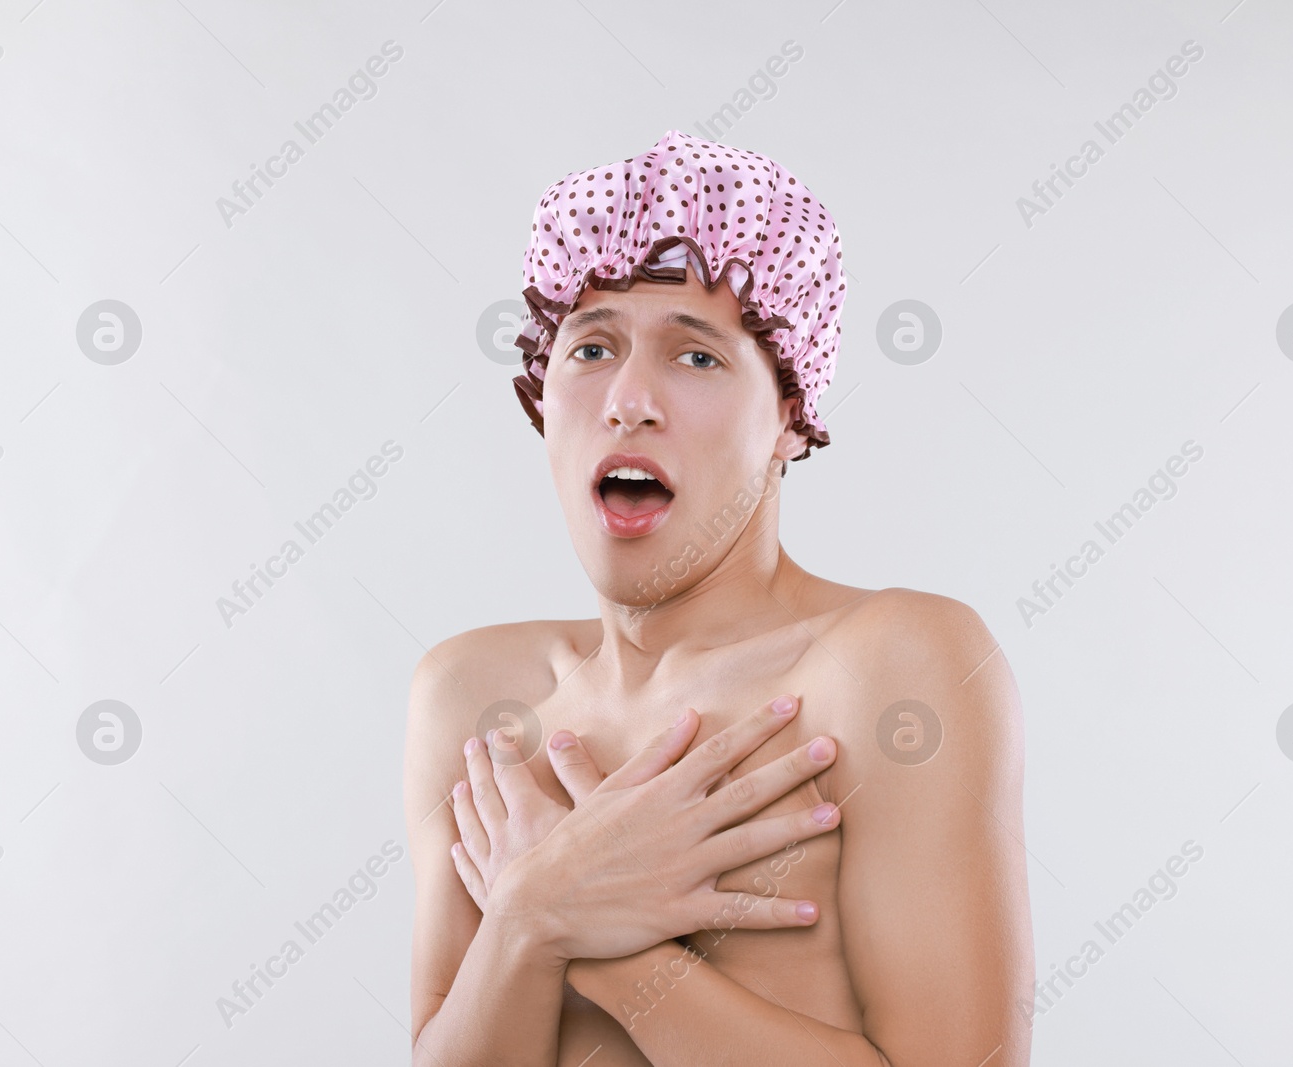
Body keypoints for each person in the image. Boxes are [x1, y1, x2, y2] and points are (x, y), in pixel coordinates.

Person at [405, 129, 1033, 1065]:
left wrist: (582, 928)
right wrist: (534, 915)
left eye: (695, 357)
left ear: (788, 412)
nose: (628, 399)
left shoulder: (894, 662)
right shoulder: (473, 694)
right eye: (590, 347)